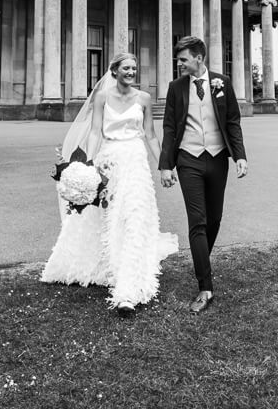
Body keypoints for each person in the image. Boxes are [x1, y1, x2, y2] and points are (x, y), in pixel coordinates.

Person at [40, 53, 178, 313]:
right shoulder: (102, 97)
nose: (131, 72)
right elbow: (95, 131)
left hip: (135, 161)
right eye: (126, 68)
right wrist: (88, 164)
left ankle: (128, 286)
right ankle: (105, 264)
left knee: (135, 214)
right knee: (106, 217)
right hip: (109, 160)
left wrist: (164, 165)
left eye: (134, 68)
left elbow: (149, 135)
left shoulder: (144, 99)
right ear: (114, 71)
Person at [158, 36, 248, 314]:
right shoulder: (176, 87)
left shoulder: (223, 83)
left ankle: (200, 261)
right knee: (197, 221)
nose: (179, 63)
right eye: (179, 59)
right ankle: (205, 286)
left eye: (183, 58)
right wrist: (166, 164)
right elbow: (170, 127)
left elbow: (233, 122)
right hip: (188, 159)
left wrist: (240, 156)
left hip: (218, 158)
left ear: (199, 57)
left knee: (215, 219)